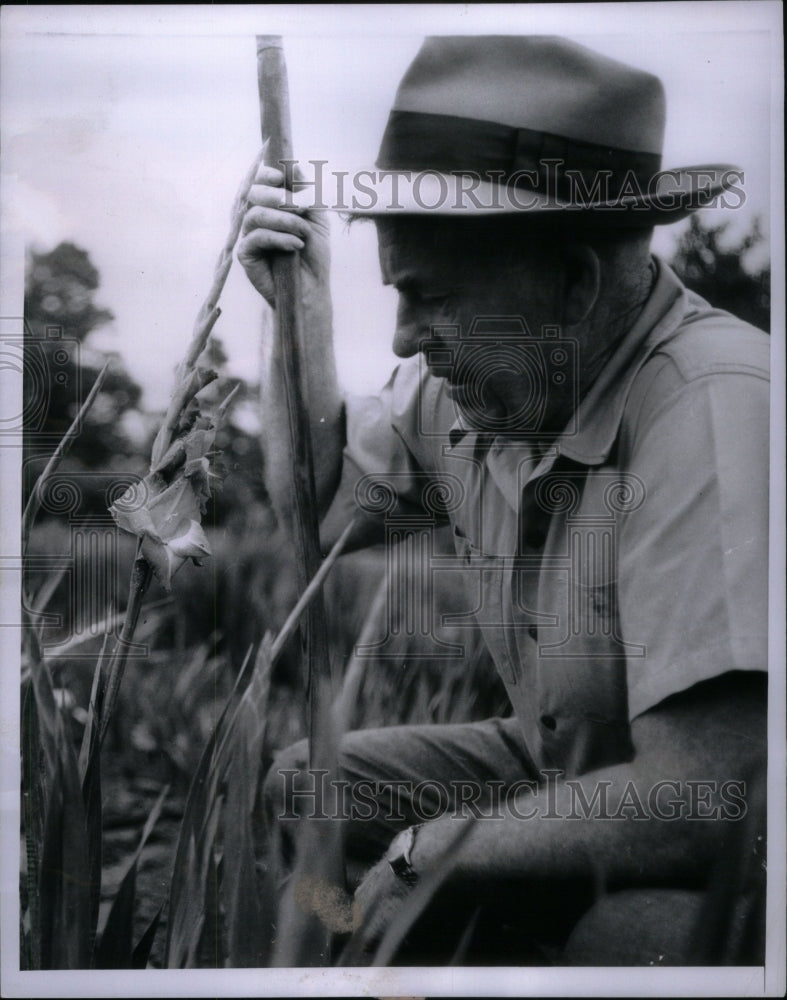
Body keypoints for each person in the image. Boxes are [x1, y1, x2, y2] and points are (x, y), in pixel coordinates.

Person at [238, 36, 768, 965]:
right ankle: (348, 970)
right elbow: (316, 520)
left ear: (573, 283)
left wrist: (431, 854)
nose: (403, 342)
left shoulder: (715, 409)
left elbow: (708, 798)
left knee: (627, 938)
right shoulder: (488, 385)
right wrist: (299, 313)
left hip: (748, 836)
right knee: (308, 788)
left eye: (429, 298)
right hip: (569, 771)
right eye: (395, 295)